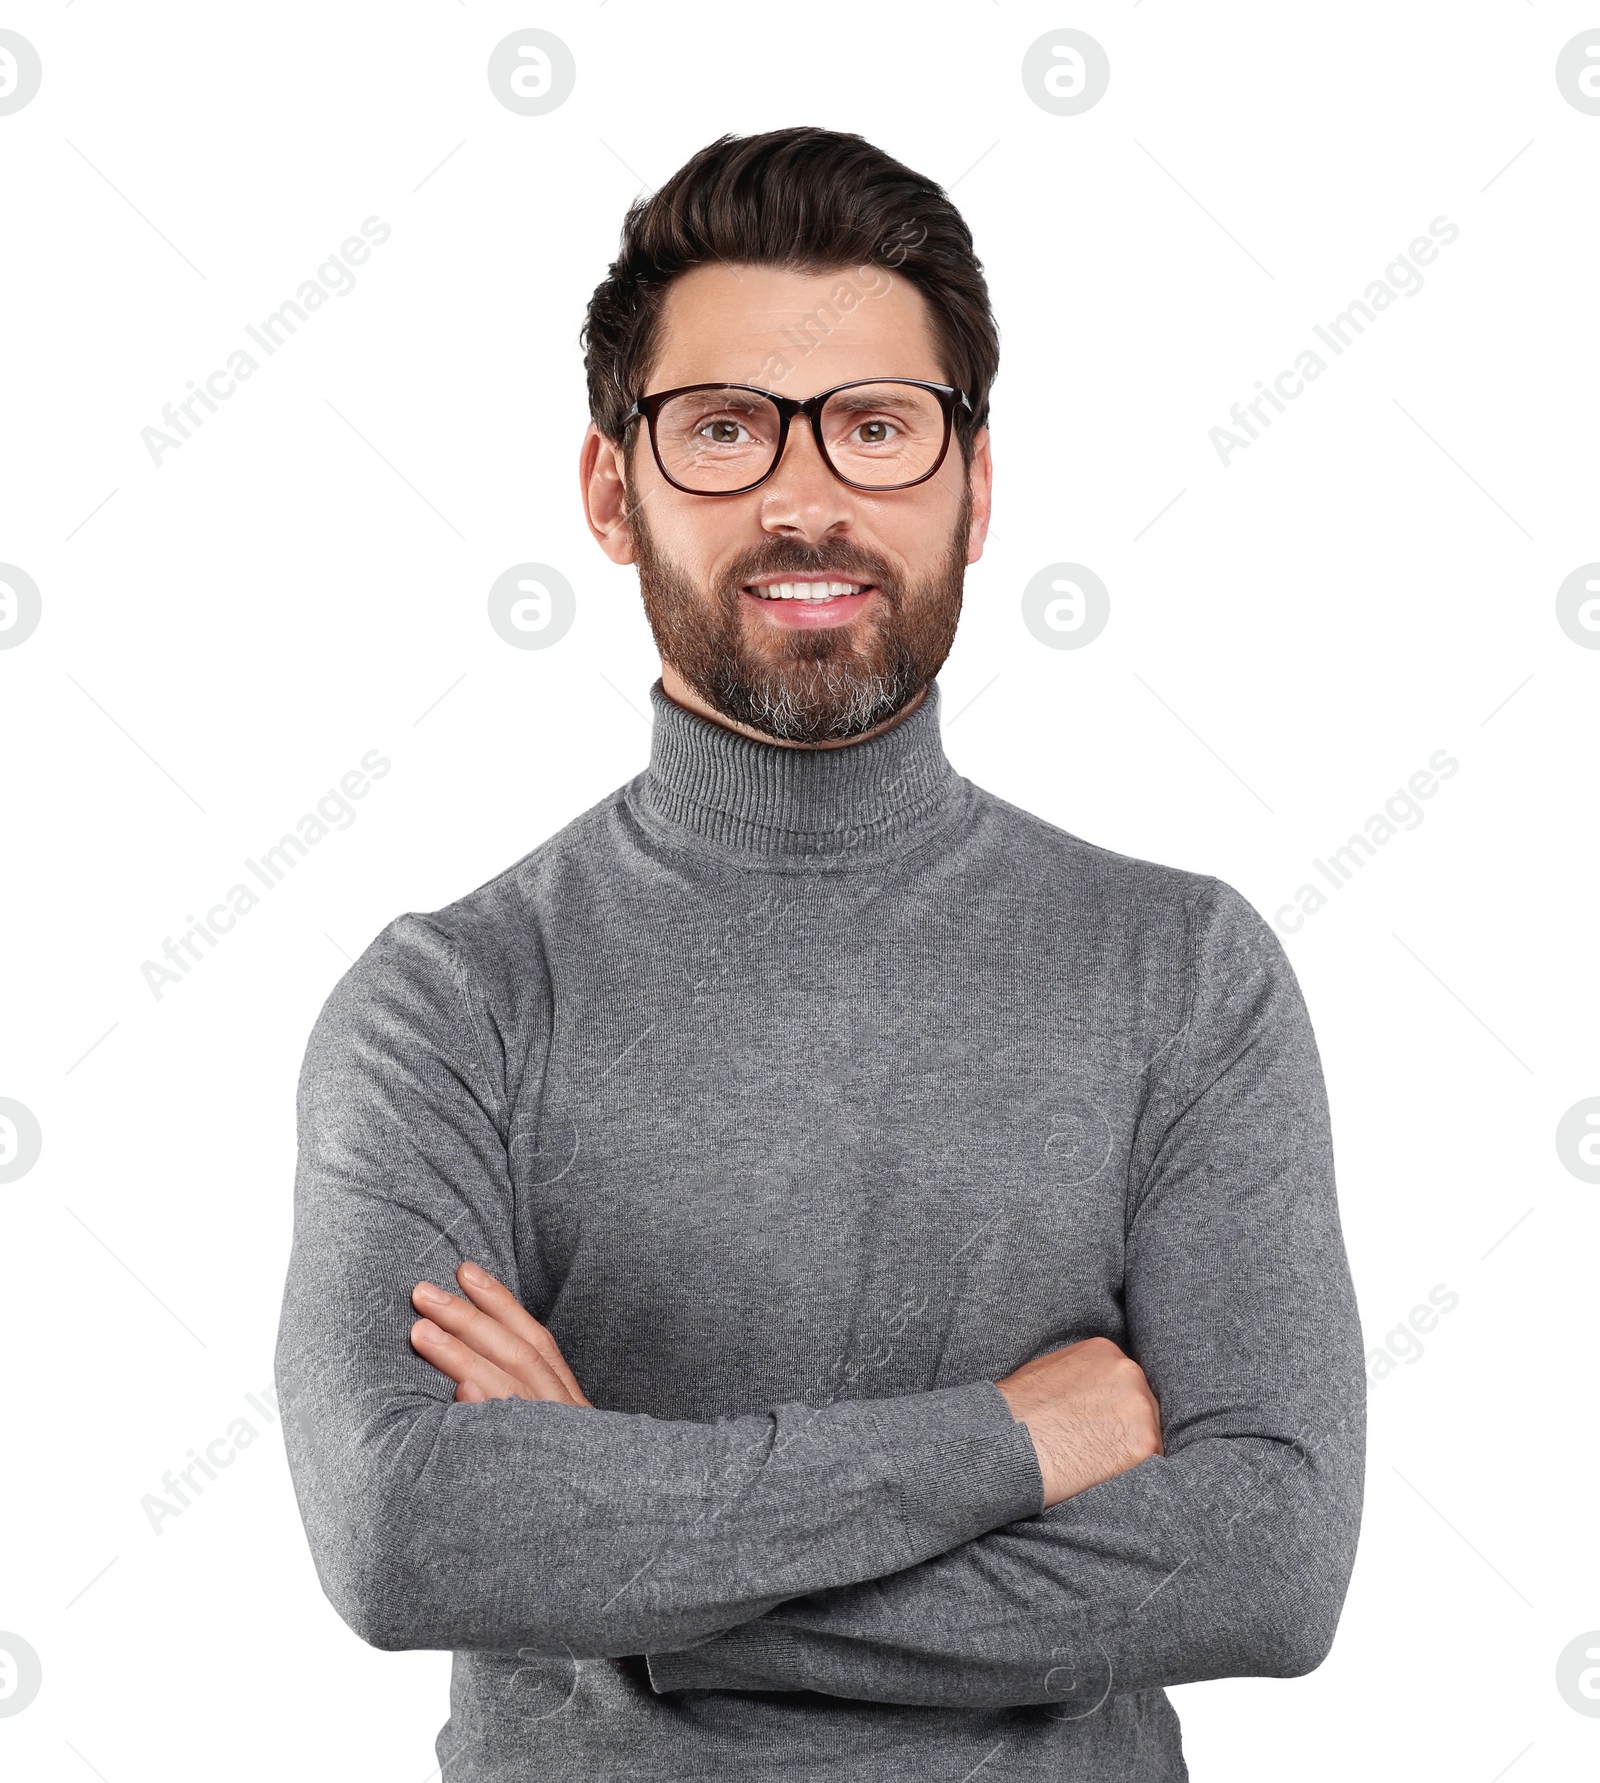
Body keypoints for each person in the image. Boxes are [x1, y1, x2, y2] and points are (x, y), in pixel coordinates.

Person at [274, 125, 1364, 1782]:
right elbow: (406, 1535)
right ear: (610, 491)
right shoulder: (448, 1007)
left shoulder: (1183, 973)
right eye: (721, 430)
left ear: (974, 488)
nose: (803, 497)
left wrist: (616, 1551)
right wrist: (1015, 1436)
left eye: (875, 427)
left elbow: (1269, 1562)